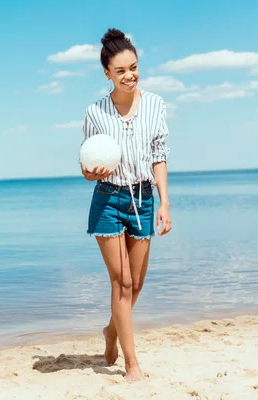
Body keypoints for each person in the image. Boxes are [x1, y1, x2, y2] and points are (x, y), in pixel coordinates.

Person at [79, 28, 172, 381]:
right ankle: (132, 364)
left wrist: (165, 203)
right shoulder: (95, 112)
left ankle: (112, 330)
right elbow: (87, 164)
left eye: (133, 67)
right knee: (122, 283)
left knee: (138, 283)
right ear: (107, 74)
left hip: (144, 199)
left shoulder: (155, 105)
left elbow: (160, 156)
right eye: (120, 71)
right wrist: (90, 173)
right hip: (108, 199)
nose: (129, 75)